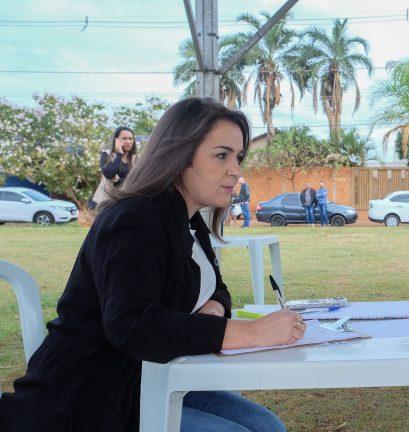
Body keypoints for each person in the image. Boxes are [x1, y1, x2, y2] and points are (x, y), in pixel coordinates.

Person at [0, 97, 307, 432]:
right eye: (222, 155)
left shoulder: (190, 220)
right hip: (91, 396)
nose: (236, 169)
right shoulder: (133, 220)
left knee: (267, 425)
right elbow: (133, 325)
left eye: (238, 157)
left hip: (151, 377)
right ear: (179, 156)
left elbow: (217, 288)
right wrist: (251, 332)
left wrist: (214, 309)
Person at [91, 126, 138, 208]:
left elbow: (137, 180)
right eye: (124, 138)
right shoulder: (107, 154)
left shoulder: (136, 159)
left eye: (130, 139)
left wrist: (118, 180)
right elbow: (109, 174)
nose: (128, 141)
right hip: (107, 202)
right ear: (116, 140)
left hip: (127, 201)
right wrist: (119, 154)